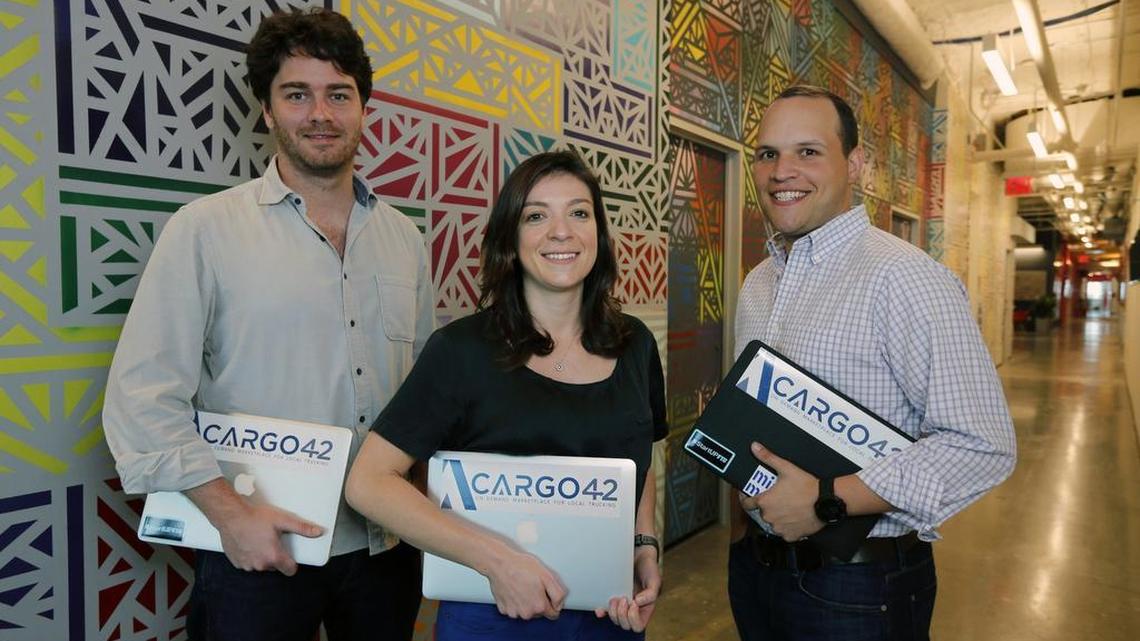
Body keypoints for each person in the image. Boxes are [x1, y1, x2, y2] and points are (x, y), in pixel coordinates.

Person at [102, 8, 433, 641]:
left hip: (386, 549)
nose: (320, 113)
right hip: (256, 547)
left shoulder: (404, 241)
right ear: (267, 111)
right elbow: (140, 399)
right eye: (296, 94)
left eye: (339, 94)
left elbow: (422, 396)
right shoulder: (204, 231)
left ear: (364, 109)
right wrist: (230, 515)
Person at [728, 85, 1017, 641]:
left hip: (857, 589)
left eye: (808, 151)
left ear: (855, 163)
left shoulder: (904, 278)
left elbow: (981, 445)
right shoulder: (759, 283)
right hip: (756, 569)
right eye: (768, 154)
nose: (782, 170)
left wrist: (829, 499)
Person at [345, 150, 667, 640]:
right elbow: (369, 482)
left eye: (579, 213)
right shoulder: (462, 351)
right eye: (536, 216)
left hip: (610, 616)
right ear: (510, 241)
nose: (562, 231)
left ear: (598, 236)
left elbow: (637, 461)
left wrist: (645, 546)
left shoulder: (636, 345)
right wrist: (497, 561)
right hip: (492, 615)